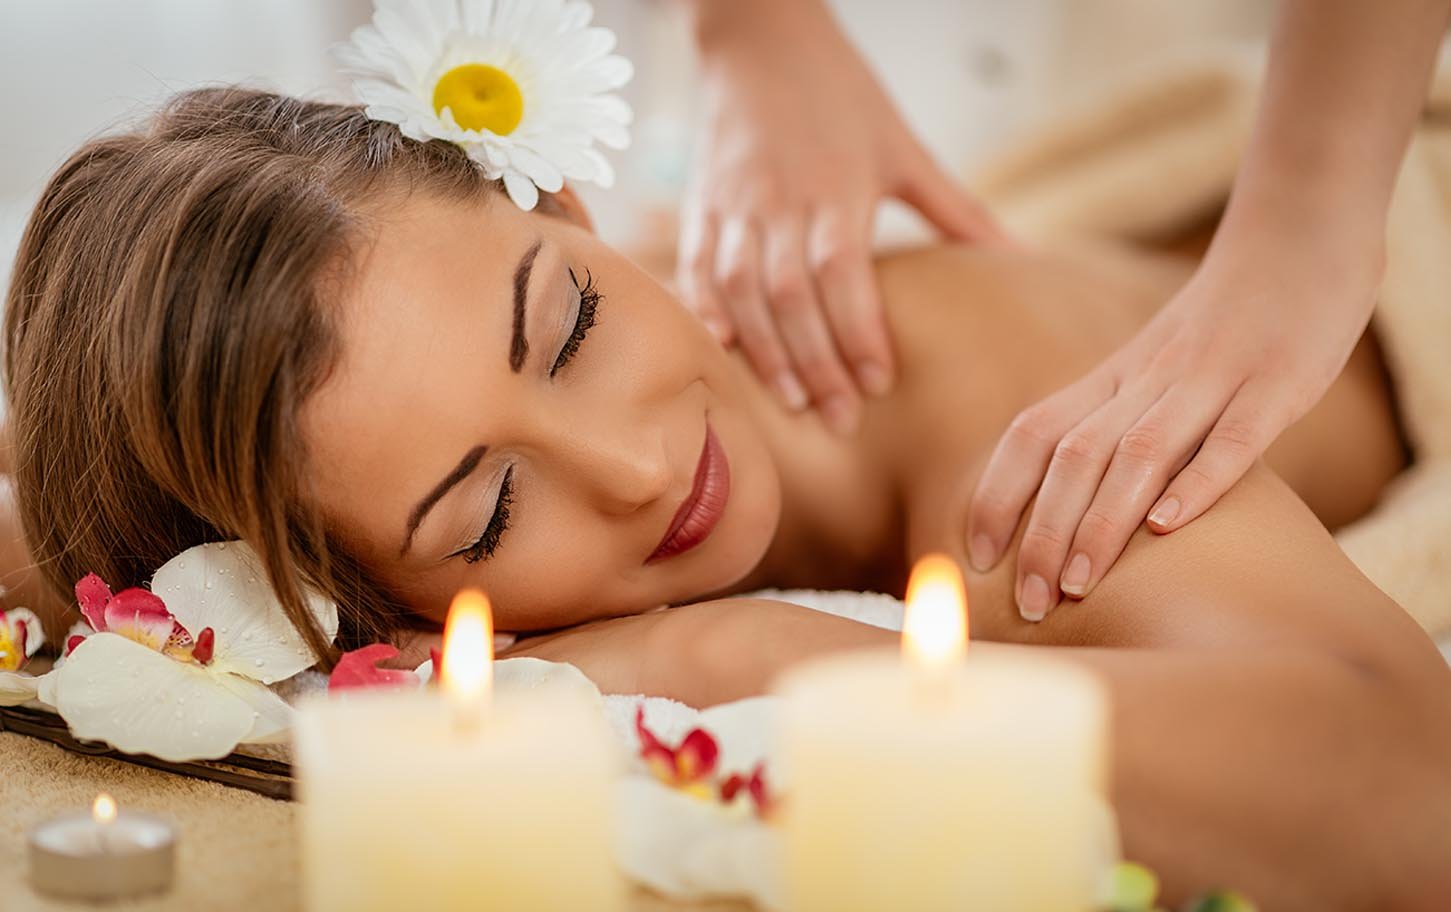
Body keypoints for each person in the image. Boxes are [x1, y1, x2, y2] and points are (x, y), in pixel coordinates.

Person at [4, 87, 1450, 908]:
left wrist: (749, 653)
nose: (640, 468)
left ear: (567, 211)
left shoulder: (1016, 449)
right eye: (489, 518)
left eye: (567, 327)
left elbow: (1406, 791)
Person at [677, 0, 1451, 624]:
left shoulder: (1003, 475)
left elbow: (1387, 742)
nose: (634, 472)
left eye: (572, 328)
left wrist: (1308, 212)